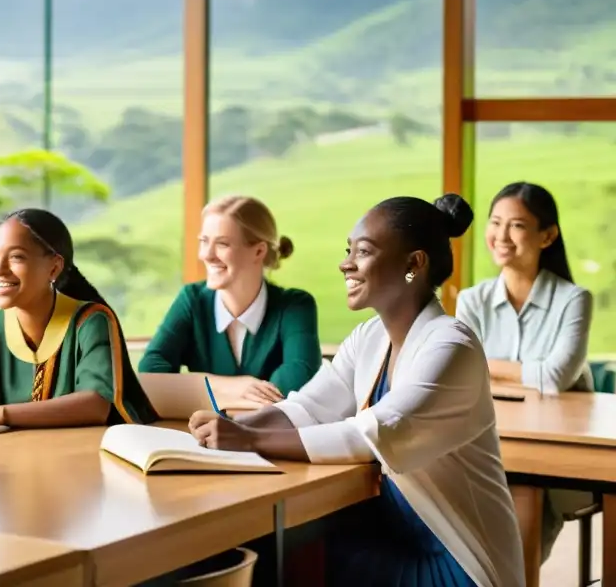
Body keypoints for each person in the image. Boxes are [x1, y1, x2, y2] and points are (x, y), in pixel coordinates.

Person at [188, 194, 525, 587]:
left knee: (289, 555)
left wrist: (247, 438)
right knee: (281, 544)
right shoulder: (370, 336)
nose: (345, 263)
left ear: (414, 264)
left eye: (363, 251)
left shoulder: (451, 346)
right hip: (395, 537)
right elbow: (309, 407)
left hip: (458, 561)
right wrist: (231, 427)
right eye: (348, 250)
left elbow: (373, 433)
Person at [0, 208, 157, 428]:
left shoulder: (91, 322)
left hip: (82, 469)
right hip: (4, 470)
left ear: (54, 267)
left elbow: (95, 403)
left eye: (16, 257)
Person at [457, 181, 594, 562]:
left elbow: (556, 377)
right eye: (495, 222)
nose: (501, 236)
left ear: (547, 235)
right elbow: (461, 373)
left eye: (516, 225)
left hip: (554, 455)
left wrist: (486, 365)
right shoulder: (472, 301)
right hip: (487, 442)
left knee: (522, 491)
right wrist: (524, 372)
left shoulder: (574, 300)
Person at [138, 195, 321, 404]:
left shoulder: (294, 306)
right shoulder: (192, 300)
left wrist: (197, 389)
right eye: (204, 241)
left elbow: (297, 380)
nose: (207, 255)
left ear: (259, 251)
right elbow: (151, 370)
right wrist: (230, 385)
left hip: (270, 435)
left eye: (222, 244)